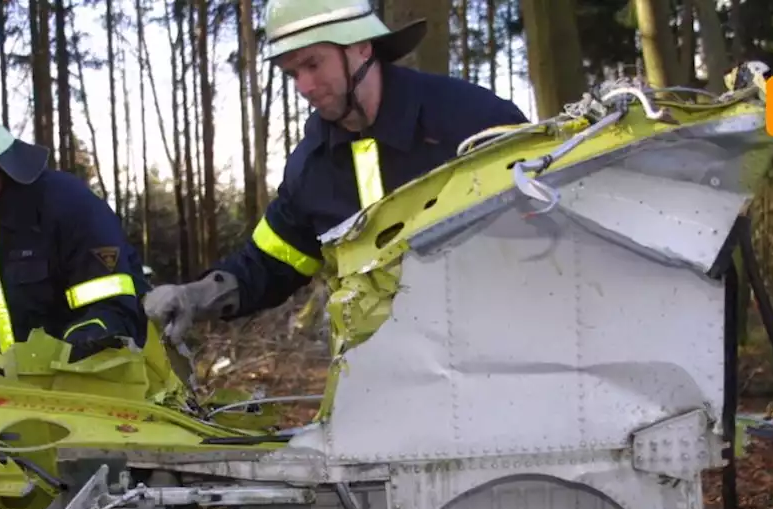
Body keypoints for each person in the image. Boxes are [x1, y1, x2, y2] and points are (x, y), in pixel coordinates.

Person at [142, 0, 531, 340]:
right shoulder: (310, 168)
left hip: (496, 354)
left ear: (361, 46)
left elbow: (543, 225)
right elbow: (270, 262)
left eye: (313, 63)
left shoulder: (474, 121)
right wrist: (198, 295)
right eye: (293, 74)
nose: (305, 87)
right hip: (378, 375)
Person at [0, 91, 151, 369]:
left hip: (95, 391)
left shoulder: (70, 208)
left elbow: (114, 311)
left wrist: (64, 369)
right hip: (6, 404)